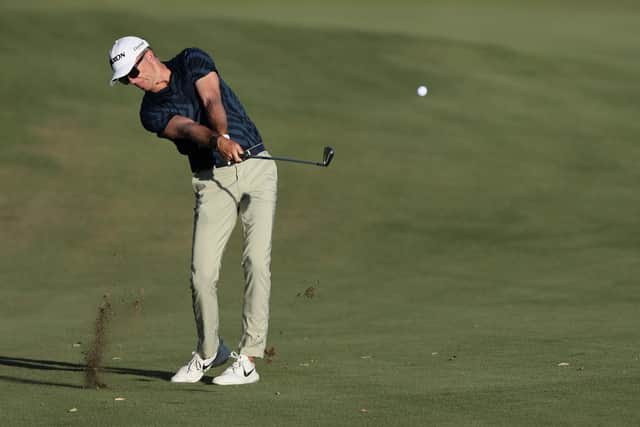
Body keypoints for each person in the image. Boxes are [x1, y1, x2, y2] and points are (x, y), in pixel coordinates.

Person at [108, 36, 278, 385]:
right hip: (210, 180)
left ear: (149, 56)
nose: (133, 81)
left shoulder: (191, 59)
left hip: (257, 167)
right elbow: (185, 128)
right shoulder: (150, 112)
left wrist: (226, 133)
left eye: (134, 72)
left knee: (256, 261)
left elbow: (211, 97)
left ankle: (247, 358)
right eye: (126, 79)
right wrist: (218, 142)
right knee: (201, 275)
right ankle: (208, 351)